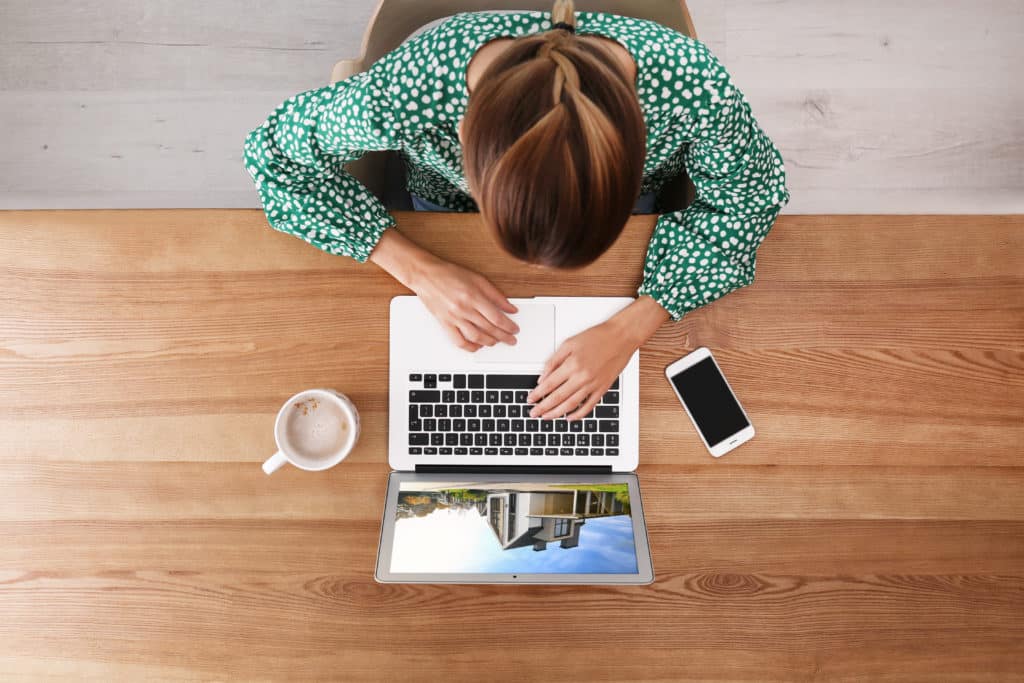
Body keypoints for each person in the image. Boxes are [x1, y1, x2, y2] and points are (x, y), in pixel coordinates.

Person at [244, 0, 788, 422]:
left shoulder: (695, 89)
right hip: (444, 209)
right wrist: (418, 269)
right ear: (461, 135)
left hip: (632, 222)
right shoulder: (410, 89)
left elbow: (750, 196)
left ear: (639, 142)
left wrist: (632, 327)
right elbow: (272, 155)